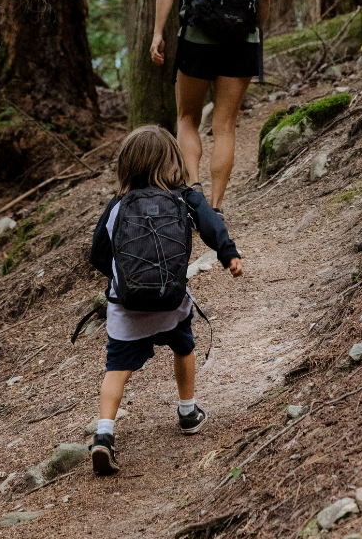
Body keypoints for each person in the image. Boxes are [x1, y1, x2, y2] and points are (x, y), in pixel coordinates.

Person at [88, 125, 243, 475]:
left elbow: (97, 253)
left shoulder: (117, 205)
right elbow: (210, 225)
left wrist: (123, 280)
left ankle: (103, 434)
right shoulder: (184, 196)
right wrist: (228, 254)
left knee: (116, 370)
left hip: (126, 308)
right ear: (172, 161)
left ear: (127, 165)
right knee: (183, 347)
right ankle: (188, 411)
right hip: (172, 302)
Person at [150, 0, 271, 216]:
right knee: (225, 125)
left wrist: (158, 33)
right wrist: (255, 30)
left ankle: (193, 192)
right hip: (241, 42)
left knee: (187, 117)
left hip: (197, 41)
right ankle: (217, 207)